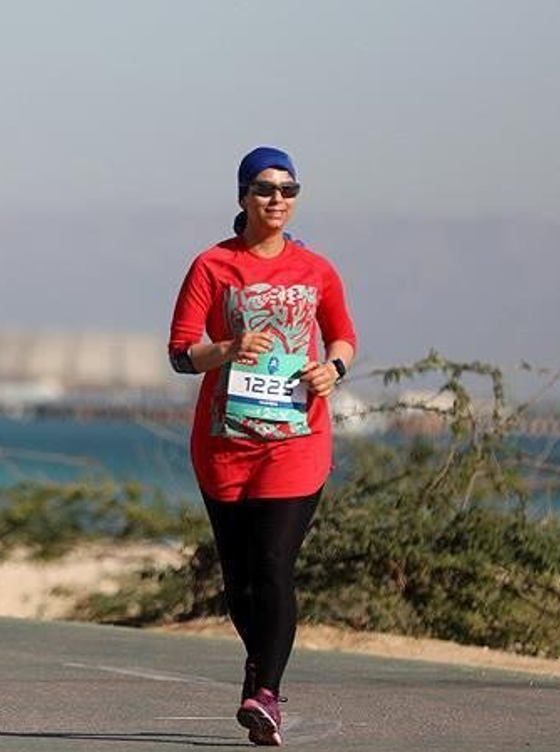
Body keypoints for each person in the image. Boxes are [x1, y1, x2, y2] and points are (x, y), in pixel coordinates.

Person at [166, 146, 357, 747]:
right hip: (225, 443)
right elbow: (179, 352)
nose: (278, 199)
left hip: (296, 440)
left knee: (274, 564)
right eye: (265, 189)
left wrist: (334, 369)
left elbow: (344, 335)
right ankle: (259, 669)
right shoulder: (211, 265)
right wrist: (225, 351)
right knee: (240, 579)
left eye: (289, 190)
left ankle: (265, 692)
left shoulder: (318, 270)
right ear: (244, 197)